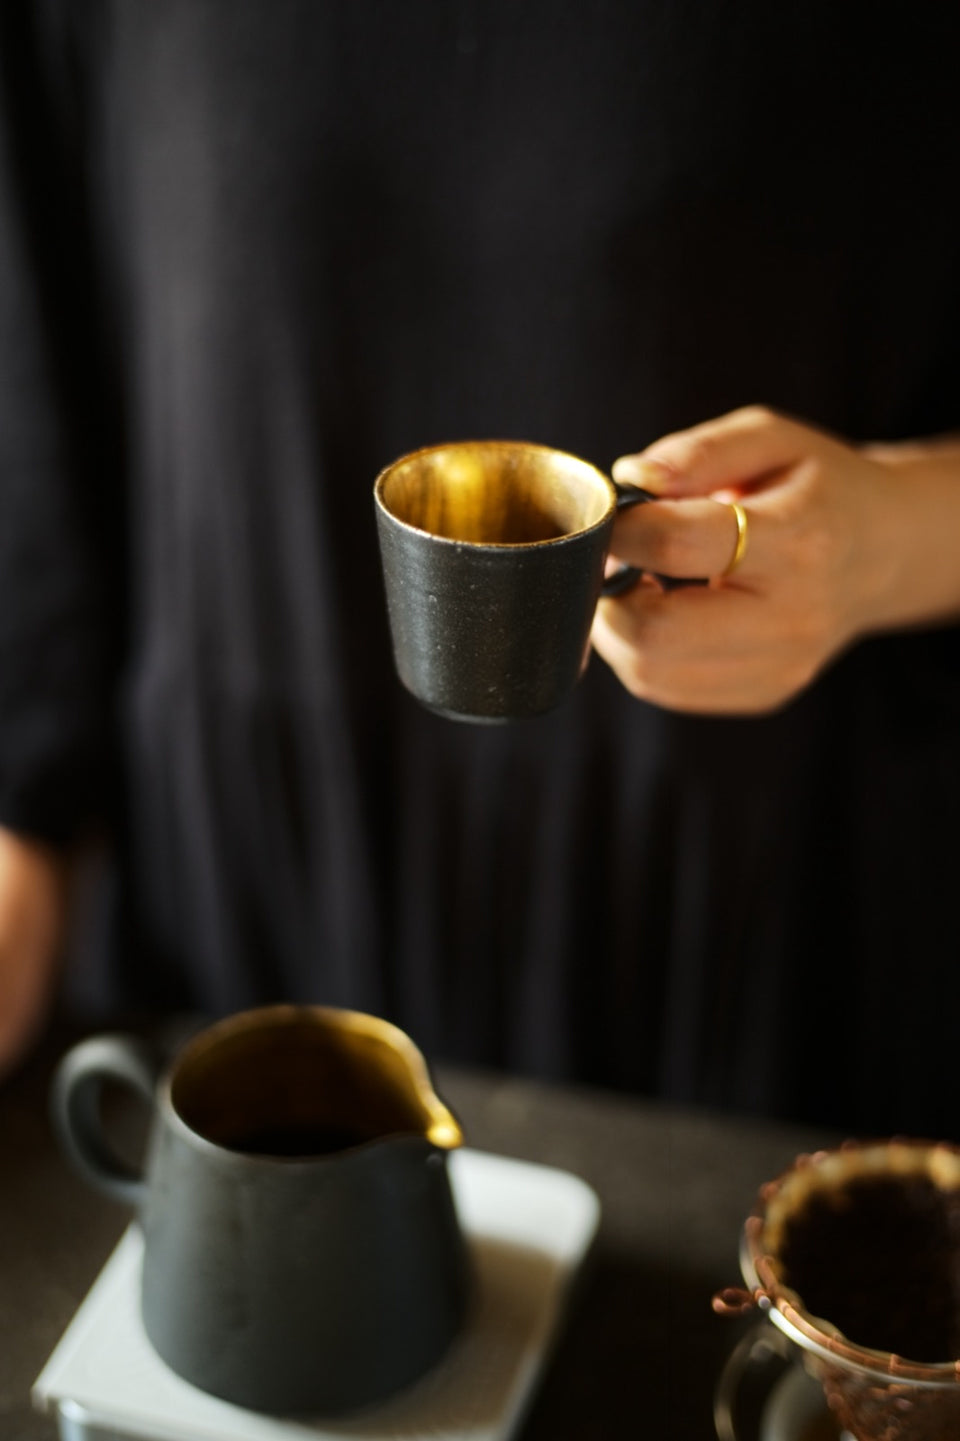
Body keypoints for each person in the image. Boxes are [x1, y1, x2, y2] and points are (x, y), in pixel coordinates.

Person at [2, 2, 959, 1139]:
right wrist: (23, 812)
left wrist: (893, 538)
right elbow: (31, 346)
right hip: (235, 899)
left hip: (765, 931)